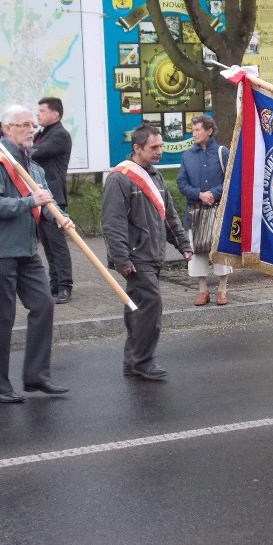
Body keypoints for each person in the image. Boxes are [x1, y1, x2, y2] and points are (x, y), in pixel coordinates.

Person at [0, 104, 72, 404]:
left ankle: (36, 375)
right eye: (23, 125)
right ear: (6, 129)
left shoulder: (33, 166)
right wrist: (29, 201)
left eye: (32, 124)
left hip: (28, 250)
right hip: (0, 250)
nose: (31, 129)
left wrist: (55, 215)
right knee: (2, 318)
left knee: (44, 305)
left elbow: (43, 204)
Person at [102, 124, 192, 381]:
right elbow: (112, 222)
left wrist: (183, 244)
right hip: (135, 256)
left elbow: (169, 215)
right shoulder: (119, 179)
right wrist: (121, 258)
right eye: (154, 147)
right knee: (151, 305)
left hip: (153, 253)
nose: (159, 151)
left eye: (161, 146)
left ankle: (133, 361)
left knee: (136, 307)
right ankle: (143, 360)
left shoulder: (156, 177)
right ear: (137, 148)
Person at [176, 114, 232, 306]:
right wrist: (200, 194)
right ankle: (203, 291)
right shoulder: (187, 156)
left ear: (209, 131)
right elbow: (181, 183)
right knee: (197, 251)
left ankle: (222, 290)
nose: (194, 134)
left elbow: (231, 180)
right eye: (192, 130)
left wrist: (213, 194)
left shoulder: (223, 152)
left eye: (197, 129)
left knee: (220, 250)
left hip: (218, 210)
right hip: (195, 211)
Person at [32, 97, 73, 304]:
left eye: (42, 111)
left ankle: (65, 286)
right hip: (41, 198)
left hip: (54, 198)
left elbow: (36, 154)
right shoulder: (42, 134)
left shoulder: (60, 135)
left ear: (54, 114)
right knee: (47, 244)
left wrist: (20, 147)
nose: (37, 114)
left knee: (57, 245)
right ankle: (55, 283)